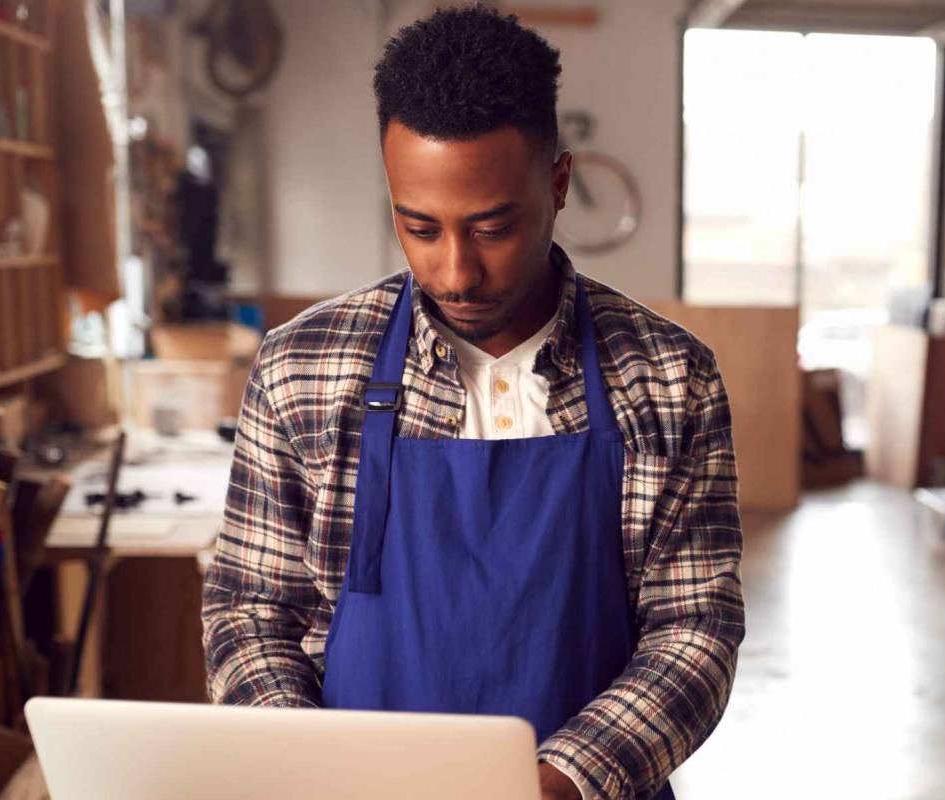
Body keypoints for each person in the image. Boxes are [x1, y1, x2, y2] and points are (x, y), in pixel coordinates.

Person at [201, 7, 745, 799]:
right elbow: (250, 613)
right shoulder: (302, 369)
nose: (455, 272)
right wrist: (307, 767)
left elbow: (695, 630)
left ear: (558, 184)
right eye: (419, 227)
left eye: (492, 227)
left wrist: (561, 780)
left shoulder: (668, 379)